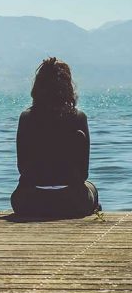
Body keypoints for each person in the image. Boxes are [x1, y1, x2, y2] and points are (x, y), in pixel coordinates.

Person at [11, 57, 100, 217]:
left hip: (30, 202)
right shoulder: (78, 118)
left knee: (18, 193)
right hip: (72, 202)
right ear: (68, 87)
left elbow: (22, 168)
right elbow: (83, 174)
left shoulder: (26, 118)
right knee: (91, 187)